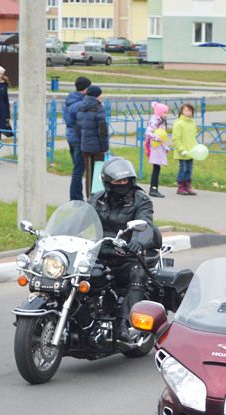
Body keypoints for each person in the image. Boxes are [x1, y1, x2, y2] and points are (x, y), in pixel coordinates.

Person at [87, 157, 162, 325]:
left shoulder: (141, 201)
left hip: (126, 257)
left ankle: (125, 322)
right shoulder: (95, 199)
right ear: (107, 182)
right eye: (117, 180)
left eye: (125, 180)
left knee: (138, 273)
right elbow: (78, 220)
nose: (122, 183)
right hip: (99, 255)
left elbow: (145, 223)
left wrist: (137, 241)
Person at [76, 85, 109, 199]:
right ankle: (98, 198)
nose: (102, 96)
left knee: (88, 172)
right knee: (98, 173)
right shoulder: (99, 108)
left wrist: (82, 143)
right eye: (100, 94)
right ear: (97, 95)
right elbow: (102, 129)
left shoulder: (81, 107)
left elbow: (78, 129)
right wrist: (105, 147)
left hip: (85, 147)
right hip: (97, 147)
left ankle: (89, 197)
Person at [63, 76, 91, 201]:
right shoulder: (80, 104)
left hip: (71, 136)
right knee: (78, 171)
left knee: (77, 169)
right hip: (78, 139)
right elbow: (82, 123)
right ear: (85, 88)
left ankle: (77, 196)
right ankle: (75, 197)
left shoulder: (70, 101)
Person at [144, 101, 170, 198]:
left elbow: (162, 135)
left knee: (157, 167)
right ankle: (153, 189)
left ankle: (154, 188)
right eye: (164, 113)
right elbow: (148, 132)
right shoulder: (155, 121)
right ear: (159, 113)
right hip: (155, 146)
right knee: (156, 167)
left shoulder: (161, 121)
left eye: (166, 113)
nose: (166, 115)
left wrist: (165, 147)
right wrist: (156, 138)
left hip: (159, 146)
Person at [171, 102, 198, 196]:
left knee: (189, 170)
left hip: (191, 152)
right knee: (183, 169)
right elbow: (176, 139)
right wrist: (181, 150)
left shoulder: (192, 123)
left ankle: (187, 187)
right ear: (182, 111)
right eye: (186, 110)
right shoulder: (179, 123)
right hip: (182, 152)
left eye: (190, 111)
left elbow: (193, 138)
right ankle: (181, 187)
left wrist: (196, 148)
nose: (188, 112)